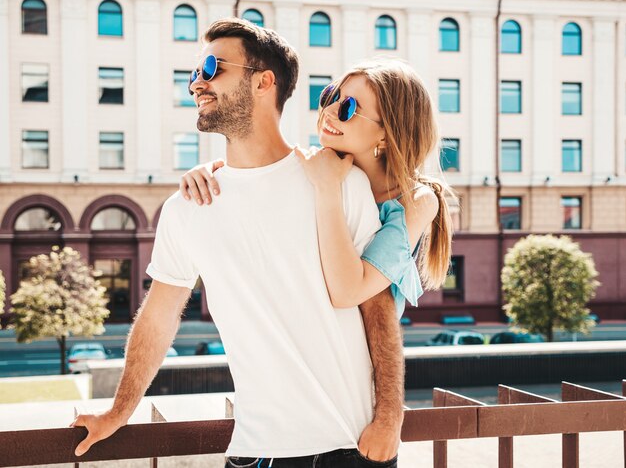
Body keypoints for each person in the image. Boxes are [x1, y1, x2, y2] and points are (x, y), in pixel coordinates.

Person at [70, 18, 405, 468]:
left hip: (350, 446)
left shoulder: (338, 180)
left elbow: (377, 309)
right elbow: (157, 319)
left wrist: (390, 418)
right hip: (255, 452)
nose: (197, 83)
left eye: (212, 67)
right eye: (195, 73)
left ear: (264, 81)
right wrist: (118, 412)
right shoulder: (187, 206)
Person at [181, 59, 455, 346]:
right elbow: (261, 175)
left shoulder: (417, 201)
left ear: (386, 134)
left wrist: (327, 188)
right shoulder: (318, 162)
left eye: (349, 107)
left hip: (355, 354)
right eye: (330, 97)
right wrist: (214, 172)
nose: (329, 111)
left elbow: (349, 291)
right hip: (302, 340)